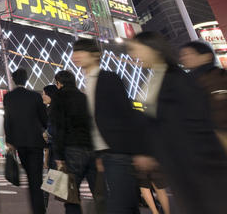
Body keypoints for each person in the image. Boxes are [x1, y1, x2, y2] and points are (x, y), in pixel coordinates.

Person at [128, 32, 227, 214]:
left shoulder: (176, 78)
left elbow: (193, 122)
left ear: (154, 49)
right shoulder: (157, 77)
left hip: (198, 165)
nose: (134, 55)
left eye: (137, 49)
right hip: (180, 164)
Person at [72, 38, 141, 214]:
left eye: (81, 52)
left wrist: (138, 151)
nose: (75, 56)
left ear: (95, 55)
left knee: (120, 206)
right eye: (74, 52)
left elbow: (125, 113)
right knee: (125, 204)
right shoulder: (87, 83)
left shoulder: (108, 78)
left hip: (117, 150)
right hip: (104, 153)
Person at [51, 70, 105, 214]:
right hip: (91, 148)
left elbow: (58, 128)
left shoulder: (58, 97)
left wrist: (59, 156)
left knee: (71, 196)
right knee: (99, 195)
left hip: (71, 149)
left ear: (58, 83)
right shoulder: (84, 97)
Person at [3, 68, 47, 214]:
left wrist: (9, 141)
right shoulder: (35, 96)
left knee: (30, 176)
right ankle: (39, 210)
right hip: (35, 142)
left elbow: (7, 120)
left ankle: (36, 209)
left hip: (20, 143)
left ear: (14, 80)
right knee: (36, 179)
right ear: (26, 79)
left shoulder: (8, 97)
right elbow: (44, 118)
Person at [179, 40, 227, 152]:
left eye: (187, 54)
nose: (183, 58)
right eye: (182, 55)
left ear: (207, 56)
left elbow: (220, 109)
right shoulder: (188, 80)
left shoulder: (217, 77)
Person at [42, 84, 58, 171]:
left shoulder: (54, 109)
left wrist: (46, 133)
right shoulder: (50, 108)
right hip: (53, 147)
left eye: (44, 94)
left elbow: (53, 129)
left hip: (56, 148)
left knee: (54, 176)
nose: (43, 96)